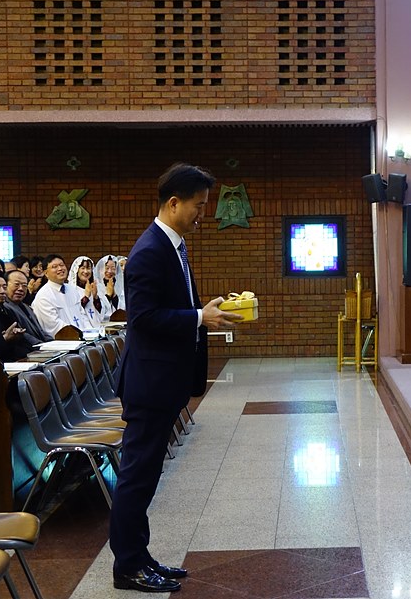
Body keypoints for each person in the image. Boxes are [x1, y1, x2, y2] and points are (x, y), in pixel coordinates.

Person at [109, 163, 243, 593]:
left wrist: (202, 312)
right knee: (137, 477)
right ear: (173, 203)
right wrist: (199, 317)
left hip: (163, 381)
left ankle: (140, 555)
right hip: (150, 383)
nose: (203, 213)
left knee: (147, 476)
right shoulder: (149, 251)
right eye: (198, 205)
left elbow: (175, 305)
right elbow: (144, 319)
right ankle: (127, 566)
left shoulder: (173, 246)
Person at [31, 254, 94, 338]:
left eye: (62, 265)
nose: (60, 269)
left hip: (83, 337)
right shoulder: (44, 296)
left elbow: (82, 315)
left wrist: (91, 333)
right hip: (63, 341)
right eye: (54, 267)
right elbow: (54, 325)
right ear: (46, 273)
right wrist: (78, 335)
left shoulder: (71, 289)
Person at [3, 269, 53, 346]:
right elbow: (22, 335)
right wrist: (41, 345)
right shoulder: (5, 307)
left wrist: (52, 342)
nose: (20, 289)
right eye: (16, 284)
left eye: (24, 285)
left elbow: (40, 331)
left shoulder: (27, 307)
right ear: (5, 286)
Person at [67, 256, 105, 328]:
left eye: (88, 268)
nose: (86, 271)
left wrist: (95, 297)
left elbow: (102, 312)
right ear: (77, 270)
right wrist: (86, 297)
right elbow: (73, 311)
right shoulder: (71, 289)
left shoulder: (95, 287)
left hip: (96, 327)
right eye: (83, 268)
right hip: (80, 327)